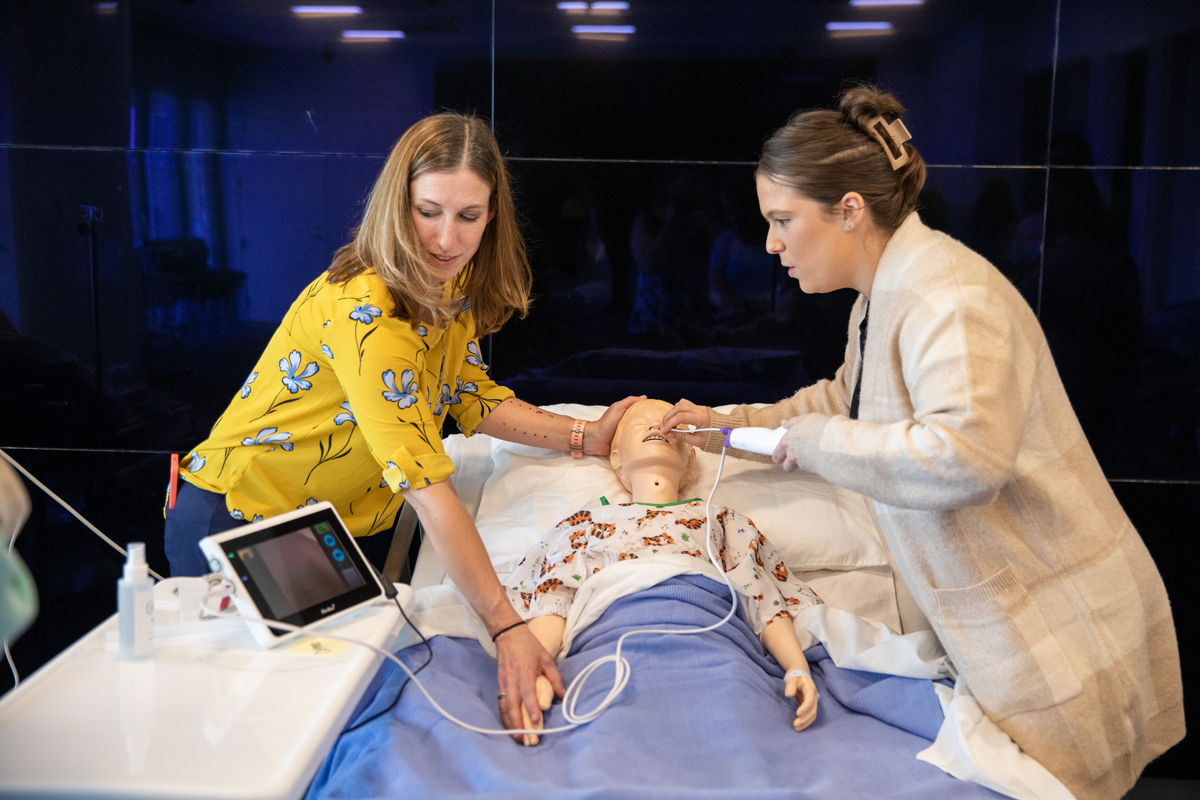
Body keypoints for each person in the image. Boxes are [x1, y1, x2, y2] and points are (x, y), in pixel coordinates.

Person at [660, 86, 1183, 800]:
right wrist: (726, 428)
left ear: (849, 210)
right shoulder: (884, 295)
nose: (770, 244)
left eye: (782, 220)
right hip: (1010, 620)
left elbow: (965, 457)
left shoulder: (947, 298)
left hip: (1059, 623)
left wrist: (810, 440)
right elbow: (842, 402)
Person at [164, 112, 643, 739]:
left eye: (468, 217)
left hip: (326, 526)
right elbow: (424, 481)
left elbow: (470, 395)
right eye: (429, 212)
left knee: (324, 713)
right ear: (398, 202)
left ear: (493, 213)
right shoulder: (369, 314)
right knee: (252, 728)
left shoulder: (449, 281)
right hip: (244, 518)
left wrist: (587, 437)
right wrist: (507, 630)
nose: (446, 239)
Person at [504, 398, 821, 745]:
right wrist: (534, 667)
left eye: (671, 424)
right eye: (641, 423)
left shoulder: (723, 522)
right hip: (612, 645)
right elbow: (553, 598)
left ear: (691, 460)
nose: (657, 426)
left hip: (715, 645)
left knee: (737, 729)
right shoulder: (587, 523)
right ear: (615, 459)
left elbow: (765, 599)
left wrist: (796, 667)